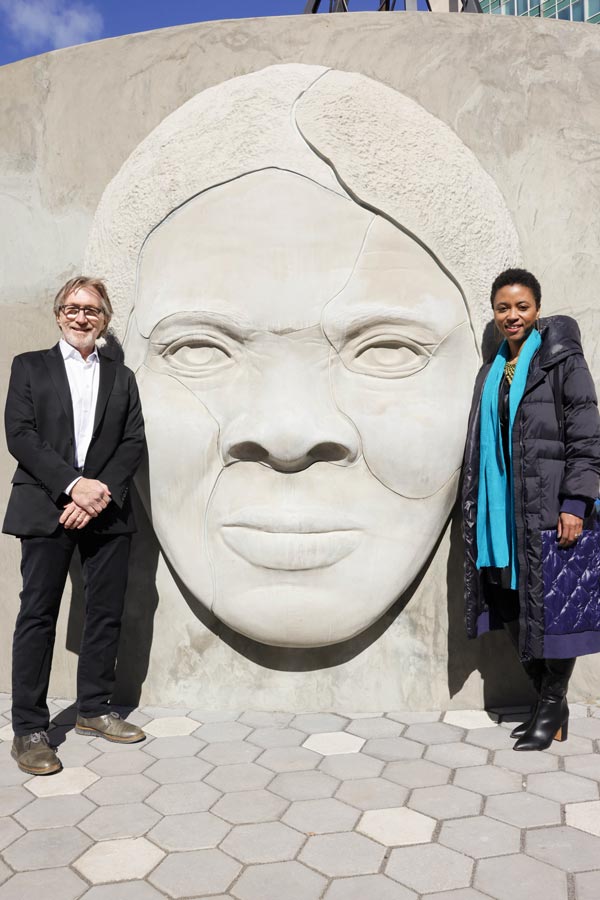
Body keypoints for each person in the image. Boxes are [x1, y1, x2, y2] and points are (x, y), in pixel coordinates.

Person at [3, 276, 146, 775]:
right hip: (46, 505)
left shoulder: (121, 377)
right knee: (38, 616)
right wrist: (73, 486)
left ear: (104, 319)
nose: (81, 317)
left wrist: (97, 491)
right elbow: (20, 436)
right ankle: (29, 729)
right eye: (73, 307)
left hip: (106, 509)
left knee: (104, 612)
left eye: (92, 310)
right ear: (59, 313)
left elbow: (132, 442)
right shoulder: (29, 367)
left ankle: (93, 710)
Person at [462, 268, 600, 751]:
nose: (512, 316)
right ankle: (550, 703)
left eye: (521, 306)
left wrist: (576, 502)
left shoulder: (561, 359)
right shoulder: (491, 370)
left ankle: (551, 703)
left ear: (537, 309)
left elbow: (586, 435)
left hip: (549, 507)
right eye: (503, 308)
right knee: (509, 601)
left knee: (554, 608)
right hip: (503, 511)